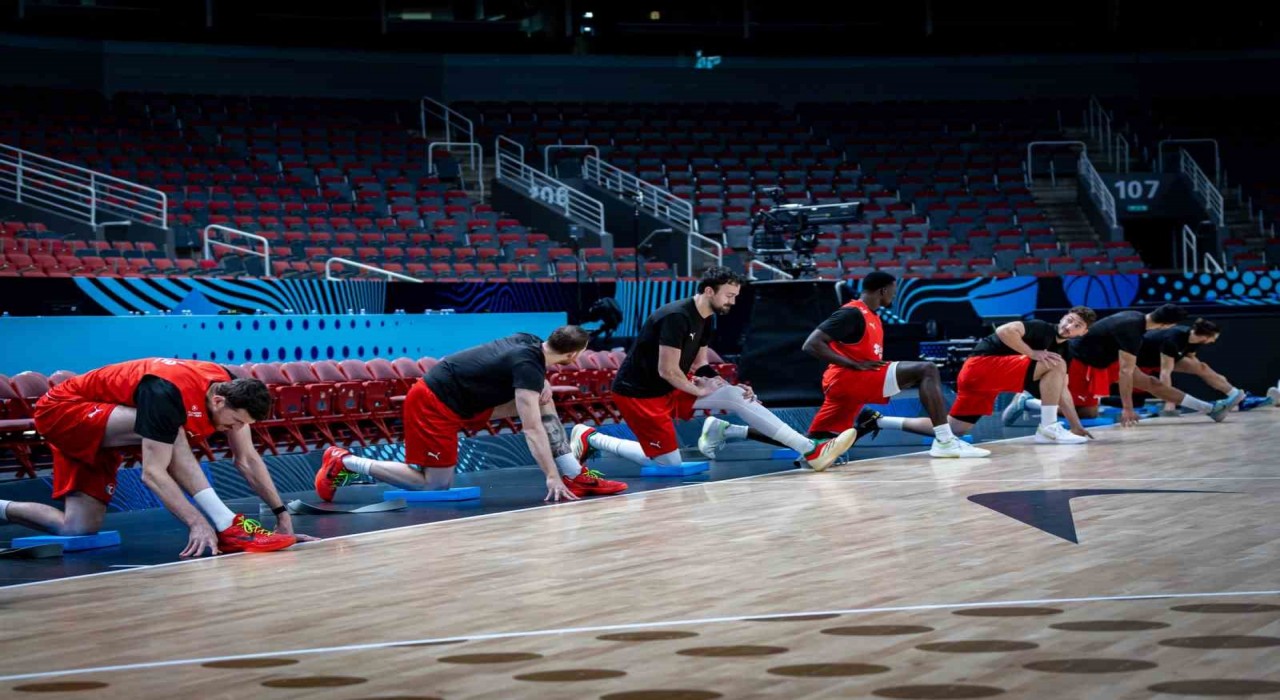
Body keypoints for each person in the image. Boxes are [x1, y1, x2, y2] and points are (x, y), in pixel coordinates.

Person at [0, 358, 304, 556]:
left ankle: (2, 508)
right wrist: (197, 522)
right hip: (62, 412)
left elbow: (248, 459)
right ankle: (227, 523)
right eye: (235, 421)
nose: (236, 429)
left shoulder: (231, 388)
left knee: (77, 529)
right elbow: (153, 473)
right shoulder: (165, 393)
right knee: (174, 428)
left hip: (106, 423)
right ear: (219, 399)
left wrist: (282, 516)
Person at [571, 266, 858, 473]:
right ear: (709, 290)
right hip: (641, 395)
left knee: (736, 396)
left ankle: (810, 448)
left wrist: (721, 383)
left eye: (735, 296)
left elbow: (700, 365)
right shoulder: (676, 317)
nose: (732, 301)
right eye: (729, 295)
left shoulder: (706, 317)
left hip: (671, 387)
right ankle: (592, 437)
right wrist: (699, 388)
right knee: (666, 464)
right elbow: (667, 371)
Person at [316, 326, 626, 503]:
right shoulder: (528, 364)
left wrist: (543, 380)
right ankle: (344, 460)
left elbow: (516, 366)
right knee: (434, 486)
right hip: (433, 404)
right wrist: (549, 477)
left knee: (544, 400)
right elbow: (531, 430)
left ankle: (575, 473)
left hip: (467, 401)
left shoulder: (530, 342)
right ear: (573, 355)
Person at [794, 271, 991, 458]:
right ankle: (946, 442)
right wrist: (853, 364)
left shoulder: (873, 316)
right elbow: (811, 344)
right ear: (883, 291)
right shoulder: (851, 312)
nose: (894, 297)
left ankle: (869, 422)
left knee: (814, 446)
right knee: (926, 370)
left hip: (851, 384)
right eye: (893, 292)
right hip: (847, 378)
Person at [864, 307, 1097, 444]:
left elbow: (1062, 391)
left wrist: (1075, 425)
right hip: (981, 366)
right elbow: (1005, 330)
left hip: (984, 382)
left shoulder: (1064, 352)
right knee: (1054, 363)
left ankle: (881, 421)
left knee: (955, 429)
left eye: (1076, 326)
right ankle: (1048, 427)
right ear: (1064, 316)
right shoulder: (1041, 328)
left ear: (1083, 333)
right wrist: (1031, 352)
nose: (1068, 326)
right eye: (1069, 319)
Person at [1064, 304, 1242, 426]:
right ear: (1168, 324)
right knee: (1087, 414)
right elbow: (1125, 373)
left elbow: (1125, 368)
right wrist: (1128, 408)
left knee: (1152, 383)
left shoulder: (1135, 317)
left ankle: (1211, 409)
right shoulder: (1132, 332)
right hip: (1079, 362)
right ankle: (1039, 403)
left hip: (1106, 359)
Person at [1135, 318, 1241, 415]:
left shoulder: (1195, 340)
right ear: (1205, 336)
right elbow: (1165, 372)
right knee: (1166, 372)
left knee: (1202, 367)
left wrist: (1213, 376)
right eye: (1214, 338)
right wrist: (1169, 401)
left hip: (1162, 355)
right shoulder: (1173, 339)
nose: (1213, 341)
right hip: (1142, 358)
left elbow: (1194, 362)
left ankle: (1234, 393)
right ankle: (1170, 402)